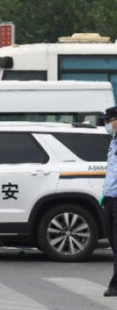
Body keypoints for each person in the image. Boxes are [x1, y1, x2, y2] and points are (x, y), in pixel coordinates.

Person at [101, 106, 117, 296]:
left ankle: (115, 285)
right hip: (110, 199)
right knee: (113, 243)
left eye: (109, 121)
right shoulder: (113, 141)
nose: (107, 125)